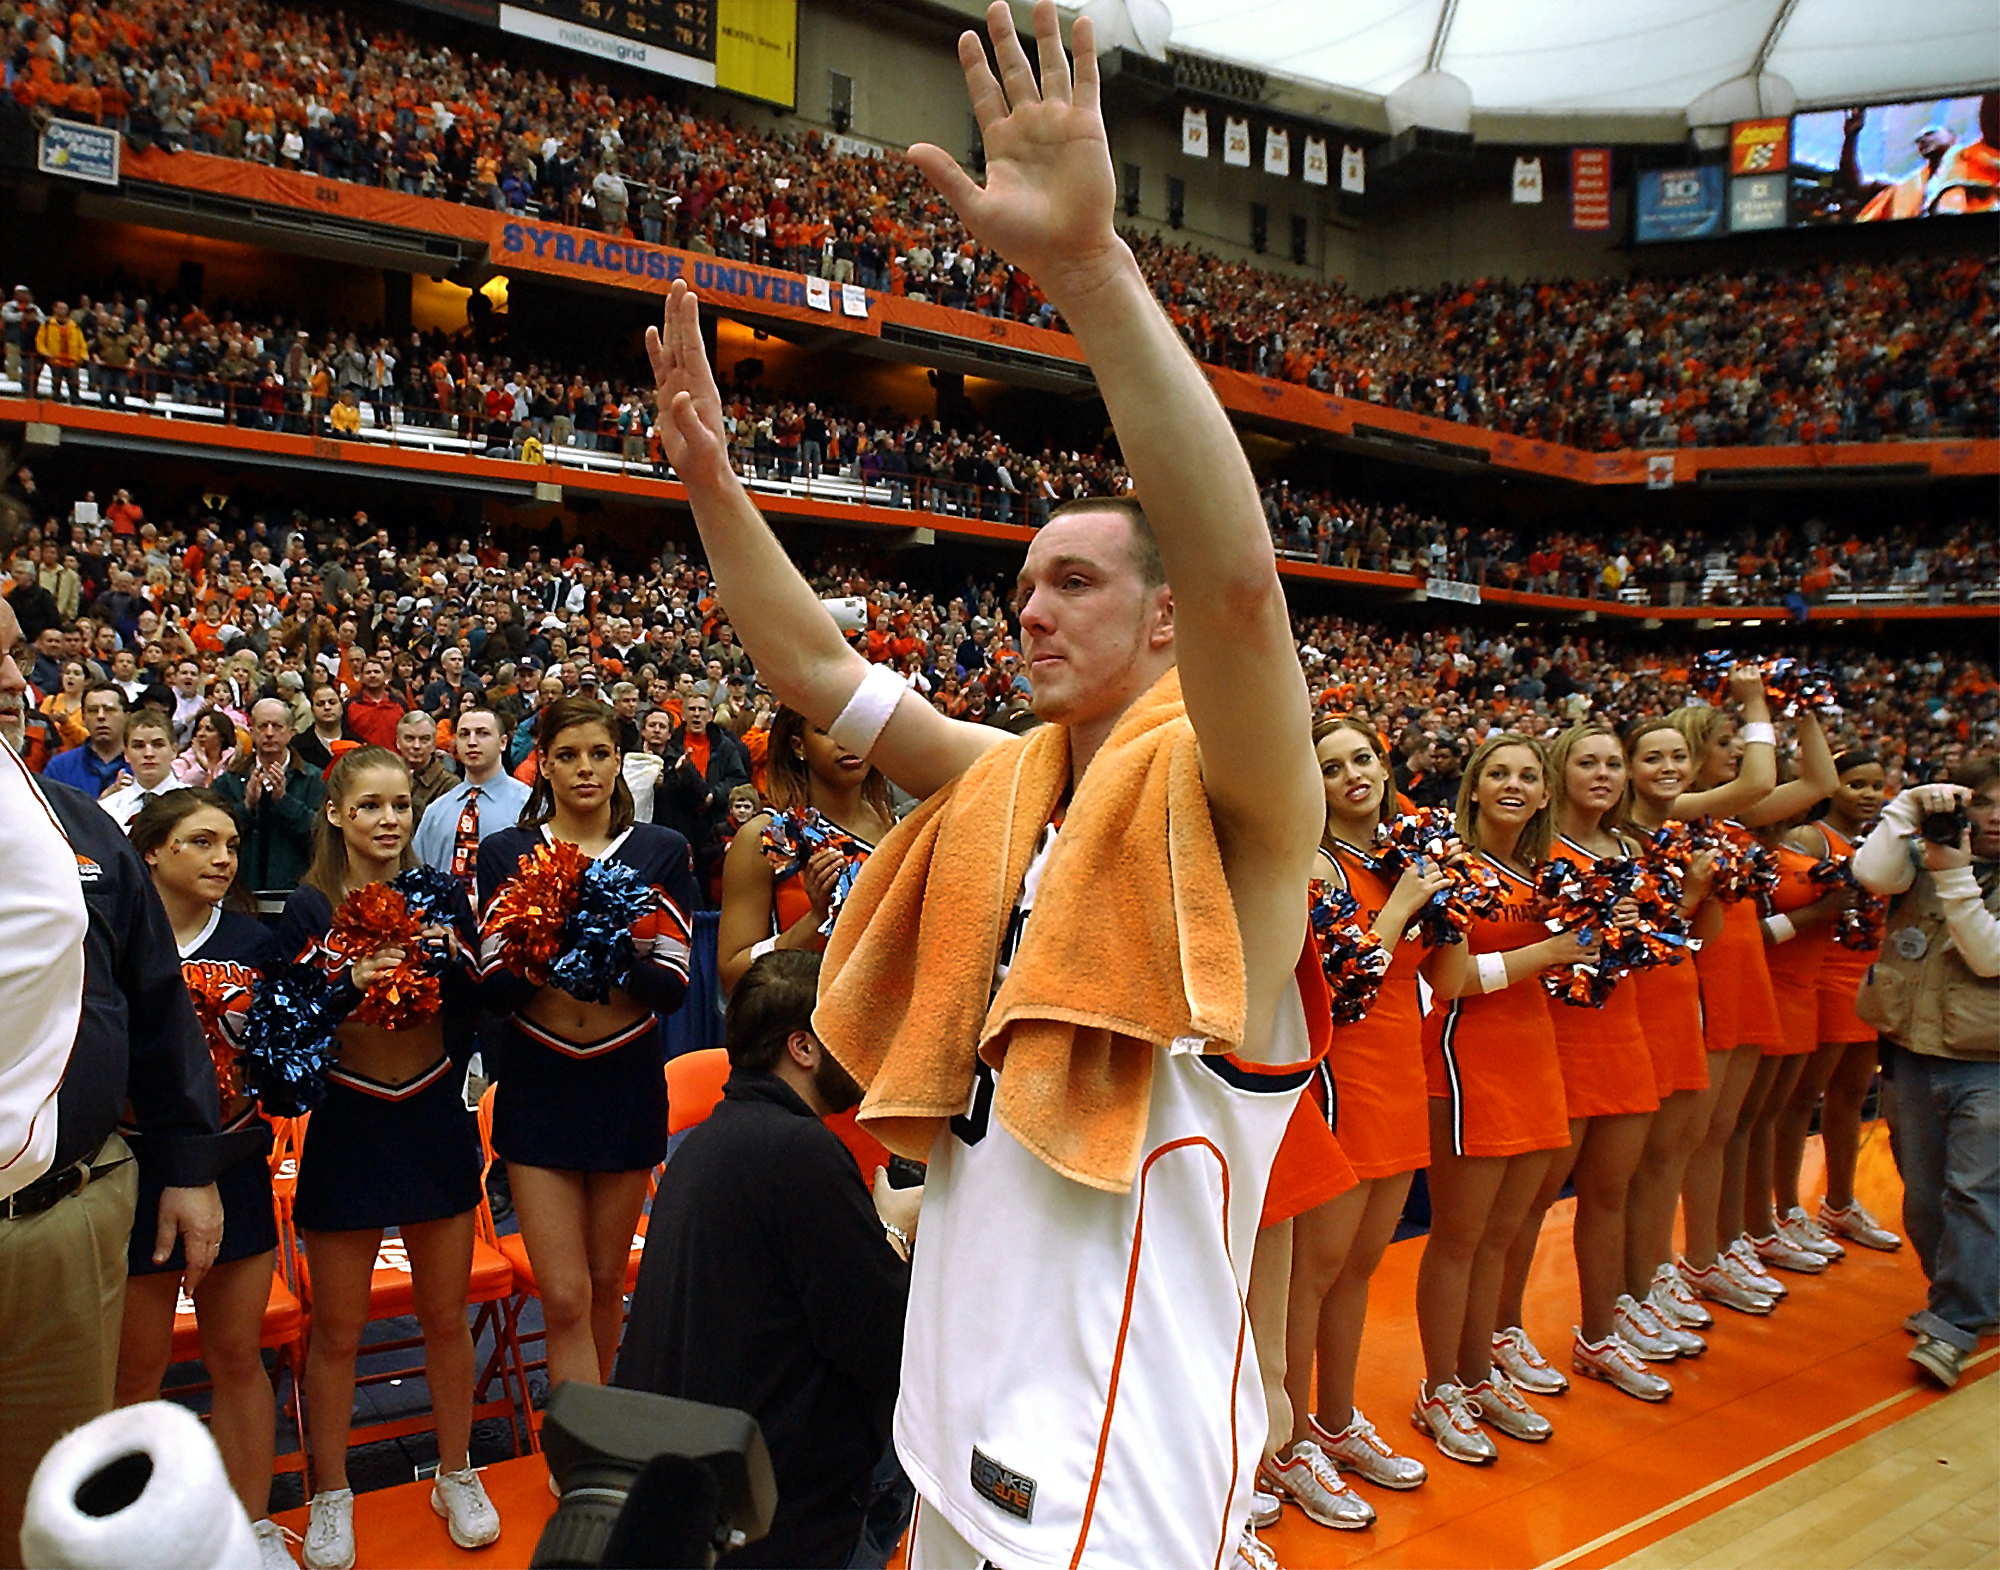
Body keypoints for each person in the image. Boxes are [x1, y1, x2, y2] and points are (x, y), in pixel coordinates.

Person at [645, 5, 1327, 1563]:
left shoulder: (1239, 814)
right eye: (1022, 583)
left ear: (1158, 615)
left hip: (1116, 1460)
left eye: (1076, 580)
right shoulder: (1018, 785)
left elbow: (1241, 594)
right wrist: (708, 482)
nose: (1031, 607)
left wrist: (1090, 272)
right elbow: (820, 678)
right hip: (957, 1418)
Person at [0, 589, 227, 1570]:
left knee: (54, 1516)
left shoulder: (84, 828)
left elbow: (156, 1002)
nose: (16, 680)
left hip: (62, 1220)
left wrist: (188, 1162)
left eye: (13, 655)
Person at [617, 951, 917, 1568]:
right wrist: (894, 1226)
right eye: (854, 1030)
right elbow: (887, 1344)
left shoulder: (706, 1145)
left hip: (703, 1490)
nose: (869, 1050)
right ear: (802, 1048)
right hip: (782, 1514)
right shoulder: (799, 1153)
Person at [278, 746, 498, 1570]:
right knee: (338, 1328)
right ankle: (330, 1492)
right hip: (350, 1122)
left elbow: (479, 1002)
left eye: (401, 804)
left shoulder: (442, 895)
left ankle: (455, 1470)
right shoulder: (306, 908)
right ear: (335, 812)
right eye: (369, 805)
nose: (388, 819)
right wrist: (345, 977)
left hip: (432, 1114)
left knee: (444, 1315)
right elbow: (289, 1025)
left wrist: (458, 959)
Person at [476, 698, 700, 1396]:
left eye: (599, 754)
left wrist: (583, 941)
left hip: (626, 1083)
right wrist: (589, 942)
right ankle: (574, 1451)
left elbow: (670, 984)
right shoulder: (506, 853)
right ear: (542, 763)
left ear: (619, 761)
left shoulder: (660, 850)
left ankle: (592, 1439)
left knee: (607, 1284)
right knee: (565, 1293)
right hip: (539, 1082)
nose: (584, 769)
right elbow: (496, 981)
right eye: (567, 755)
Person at [1264, 719, 1444, 1520]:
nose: (1352, 775)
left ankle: (1335, 1422)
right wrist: (1405, 905)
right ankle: (1286, 1442)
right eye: (1330, 766)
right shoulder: (1314, 863)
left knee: (1362, 1267)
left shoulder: (1398, 857)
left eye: (1363, 757)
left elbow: (1455, 978)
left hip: (1406, 1072)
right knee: (1312, 1277)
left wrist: (1449, 909)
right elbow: (1342, 984)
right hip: (1339, 1080)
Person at [115, 791, 292, 1568]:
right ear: (151, 850)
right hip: (135, 1168)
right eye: (201, 842)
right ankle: (137, 1535)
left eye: (230, 842)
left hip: (233, 1162)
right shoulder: (109, 938)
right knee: (134, 1371)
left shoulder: (258, 940)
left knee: (236, 1354)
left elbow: (285, 1068)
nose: (224, 857)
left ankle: (248, 1526)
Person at [1409, 734, 1598, 1463]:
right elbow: (1450, 980)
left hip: (1535, 1055)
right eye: (1498, 773)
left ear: (1545, 794)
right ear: (1475, 789)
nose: (1513, 784)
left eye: (1527, 775)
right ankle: (1438, 1388)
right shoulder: (1454, 868)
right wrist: (1548, 953)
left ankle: (1479, 1373)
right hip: (1466, 1061)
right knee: (1459, 1238)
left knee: (1506, 1232)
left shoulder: (1546, 874)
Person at [1853, 758, 2000, 1389]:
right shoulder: (1926, 852)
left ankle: (1954, 1323)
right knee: (1921, 1194)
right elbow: (1870, 873)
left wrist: (1956, 875)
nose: (1994, 817)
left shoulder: (1947, 865)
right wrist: (1905, 808)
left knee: (1974, 1191)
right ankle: (1971, 1297)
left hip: (1989, 1063)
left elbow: (1989, 958)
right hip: (1911, 1050)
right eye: (1985, 802)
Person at [1774, 750, 1902, 1253]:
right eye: (1856, 784)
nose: (1868, 794)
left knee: (1851, 1096)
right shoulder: (1810, 838)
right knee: (1801, 1100)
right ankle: (1784, 1208)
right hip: (1825, 974)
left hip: (1872, 977)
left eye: (1876, 784)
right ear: (1832, 788)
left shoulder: (1886, 842)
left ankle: (1841, 1201)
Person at [411, 703, 532, 888]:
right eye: (464, 734)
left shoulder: (529, 805)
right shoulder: (436, 811)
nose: (472, 741)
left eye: (483, 733)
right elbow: (418, 873)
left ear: (503, 742)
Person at [214, 697, 326, 897]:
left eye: (277, 726)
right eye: (262, 726)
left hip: (294, 892)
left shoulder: (314, 779)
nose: (269, 733)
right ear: (252, 732)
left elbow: (321, 835)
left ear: (291, 732)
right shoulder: (228, 781)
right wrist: (247, 806)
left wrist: (284, 802)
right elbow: (215, 835)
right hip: (240, 894)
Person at [98, 705, 184, 828]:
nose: (148, 753)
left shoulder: (196, 805)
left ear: (174, 751)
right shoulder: (108, 809)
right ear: (126, 754)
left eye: (158, 745)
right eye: (138, 746)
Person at [42, 679, 129, 796]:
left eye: (109, 710)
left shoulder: (143, 766)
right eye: (93, 711)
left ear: (127, 716)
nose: (101, 716)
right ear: (83, 718)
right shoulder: (60, 768)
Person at [396, 708, 457, 819]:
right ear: (398, 742)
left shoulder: (448, 784)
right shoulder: (388, 778)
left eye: (424, 739)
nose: (416, 746)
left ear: (434, 744)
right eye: (409, 739)